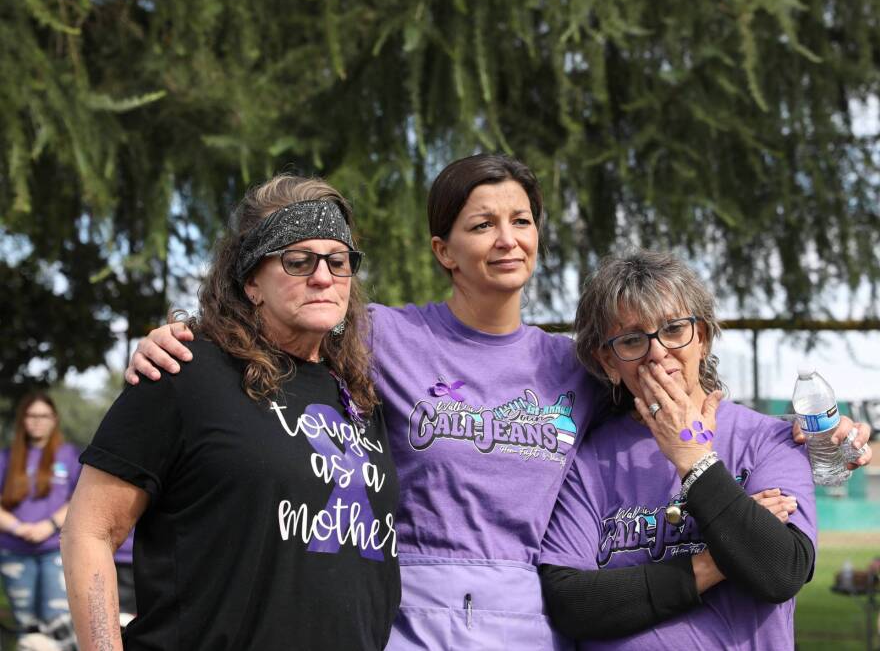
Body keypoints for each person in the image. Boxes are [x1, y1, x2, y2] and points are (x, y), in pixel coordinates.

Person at [123, 155, 873, 649]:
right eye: (481, 224)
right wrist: (182, 339)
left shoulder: (576, 364)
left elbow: (678, 395)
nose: (506, 238)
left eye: (520, 221)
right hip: (409, 613)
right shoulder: (383, 334)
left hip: (527, 622)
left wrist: (824, 440)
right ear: (443, 249)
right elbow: (289, 311)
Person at [61, 176, 400, 651]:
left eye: (337, 261)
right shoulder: (185, 373)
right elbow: (90, 529)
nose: (322, 276)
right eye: (297, 261)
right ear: (251, 282)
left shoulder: (360, 396)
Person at [540, 249, 818, 649]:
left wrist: (693, 458)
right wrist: (714, 562)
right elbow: (573, 603)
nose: (657, 352)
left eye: (673, 330)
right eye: (632, 340)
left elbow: (779, 570)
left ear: (701, 338)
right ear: (609, 362)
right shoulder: (586, 461)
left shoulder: (770, 441)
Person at [0, 392, 80, 642]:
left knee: (57, 623)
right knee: (27, 625)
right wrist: (18, 527)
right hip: (14, 551)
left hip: (55, 550)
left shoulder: (70, 456)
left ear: (54, 419)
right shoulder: (6, 458)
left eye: (43, 416)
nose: (37, 421)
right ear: (23, 420)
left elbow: (80, 500)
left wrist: (49, 525)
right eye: (31, 415)